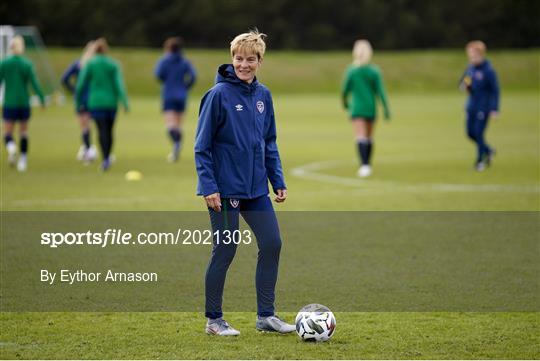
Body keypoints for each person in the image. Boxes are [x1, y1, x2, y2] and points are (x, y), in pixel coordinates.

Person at [194, 30, 294, 336]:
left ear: (260, 61)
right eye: (238, 58)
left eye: (250, 59)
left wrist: (277, 178)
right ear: (231, 58)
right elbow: (202, 145)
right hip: (224, 191)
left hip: (255, 189)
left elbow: (269, 141)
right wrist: (208, 185)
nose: (243, 64)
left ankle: (266, 316)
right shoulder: (218, 95)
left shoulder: (264, 96)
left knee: (272, 243)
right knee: (225, 250)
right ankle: (214, 320)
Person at [75, 38, 129, 171]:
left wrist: (78, 101)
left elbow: (81, 84)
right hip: (111, 103)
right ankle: (107, 156)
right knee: (110, 131)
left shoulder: (90, 64)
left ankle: (105, 158)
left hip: (96, 102)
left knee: (101, 130)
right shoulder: (113, 64)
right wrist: (125, 102)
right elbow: (119, 85)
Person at [342, 39, 390, 178]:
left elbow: (344, 90)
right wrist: (386, 108)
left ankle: (364, 165)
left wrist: (345, 103)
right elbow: (380, 92)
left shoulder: (351, 70)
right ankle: (367, 164)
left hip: (357, 108)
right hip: (371, 107)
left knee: (361, 136)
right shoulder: (374, 71)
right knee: (369, 137)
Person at [0, 35, 45, 172]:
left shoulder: (4, 63)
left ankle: (12, 148)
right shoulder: (27, 64)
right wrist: (41, 99)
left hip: (9, 102)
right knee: (23, 132)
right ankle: (23, 160)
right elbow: (34, 83)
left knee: (8, 132)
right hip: (24, 102)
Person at [155, 37, 196, 162]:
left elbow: (158, 75)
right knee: (178, 124)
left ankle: (176, 144)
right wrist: (185, 87)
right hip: (182, 95)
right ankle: (176, 147)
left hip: (168, 94)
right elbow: (193, 76)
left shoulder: (164, 60)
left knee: (170, 125)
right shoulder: (184, 61)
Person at [459, 41, 500, 171]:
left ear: (481, 54)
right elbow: (464, 83)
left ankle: (480, 161)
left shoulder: (488, 71)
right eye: (470, 55)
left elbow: (495, 90)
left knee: (479, 133)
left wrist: (494, 108)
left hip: (484, 107)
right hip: (471, 106)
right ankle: (488, 150)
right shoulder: (470, 69)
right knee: (470, 133)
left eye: (474, 55)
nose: (472, 58)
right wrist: (465, 86)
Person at [61, 40, 97, 163]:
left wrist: (74, 90)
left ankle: (87, 149)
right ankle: (89, 150)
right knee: (92, 125)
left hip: (81, 99)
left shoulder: (78, 63)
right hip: (94, 99)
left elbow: (64, 79)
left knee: (84, 127)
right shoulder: (94, 64)